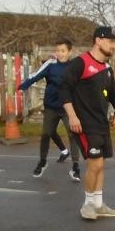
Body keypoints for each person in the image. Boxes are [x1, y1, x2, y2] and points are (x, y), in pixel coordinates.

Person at [59, 26, 115, 220]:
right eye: (111, 41)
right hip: (84, 124)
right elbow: (64, 89)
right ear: (98, 40)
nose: (114, 45)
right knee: (94, 164)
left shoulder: (107, 69)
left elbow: (113, 94)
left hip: (101, 124)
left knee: (101, 165)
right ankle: (87, 204)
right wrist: (72, 116)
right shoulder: (81, 63)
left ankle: (98, 204)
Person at [18, 37, 81, 181]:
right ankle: (42, 161)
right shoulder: (50, 64)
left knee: (73, 135)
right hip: (51, 106)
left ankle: (76, 166)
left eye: (63, 51)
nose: (60, 53)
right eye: (58, 51)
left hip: (68, 108)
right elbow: (36, 75)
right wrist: (24, 86)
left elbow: (84, 84)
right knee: (47, 133)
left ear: (70, 52)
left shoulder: (75, 66)